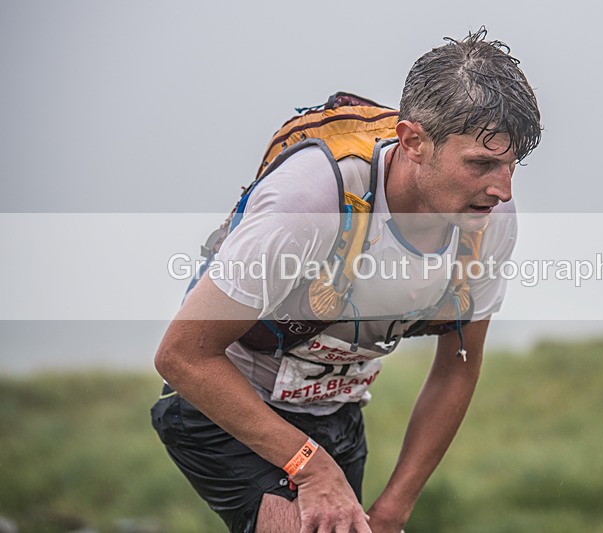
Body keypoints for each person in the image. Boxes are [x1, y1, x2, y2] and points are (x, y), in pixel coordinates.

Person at [151, 27, 541, 533]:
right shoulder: (311, 201)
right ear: (413, 141)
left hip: (336, 415)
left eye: (512, 165)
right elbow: (182, 355)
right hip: (225, 405)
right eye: (482, 164)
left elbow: (457, 370)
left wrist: (393, 509)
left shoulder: (489, 222)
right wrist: (310, 466)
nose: (502, 189)